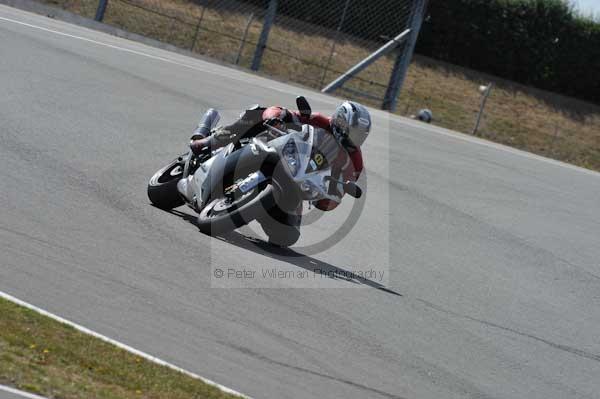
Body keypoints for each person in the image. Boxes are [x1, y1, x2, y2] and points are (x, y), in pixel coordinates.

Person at [186, 101, 371, 246]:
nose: (354, 139)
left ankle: (258, 208)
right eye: (352, 132)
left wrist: (334, 194)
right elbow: (285, 112)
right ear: (340, 122)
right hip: (281, 153)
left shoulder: (355, 161)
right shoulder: (321, 121)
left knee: (287, 237)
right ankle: (207, 142)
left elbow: (337, 193)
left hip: (300, 182)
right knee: (257, 112)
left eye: (360, 136)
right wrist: (275, 117)